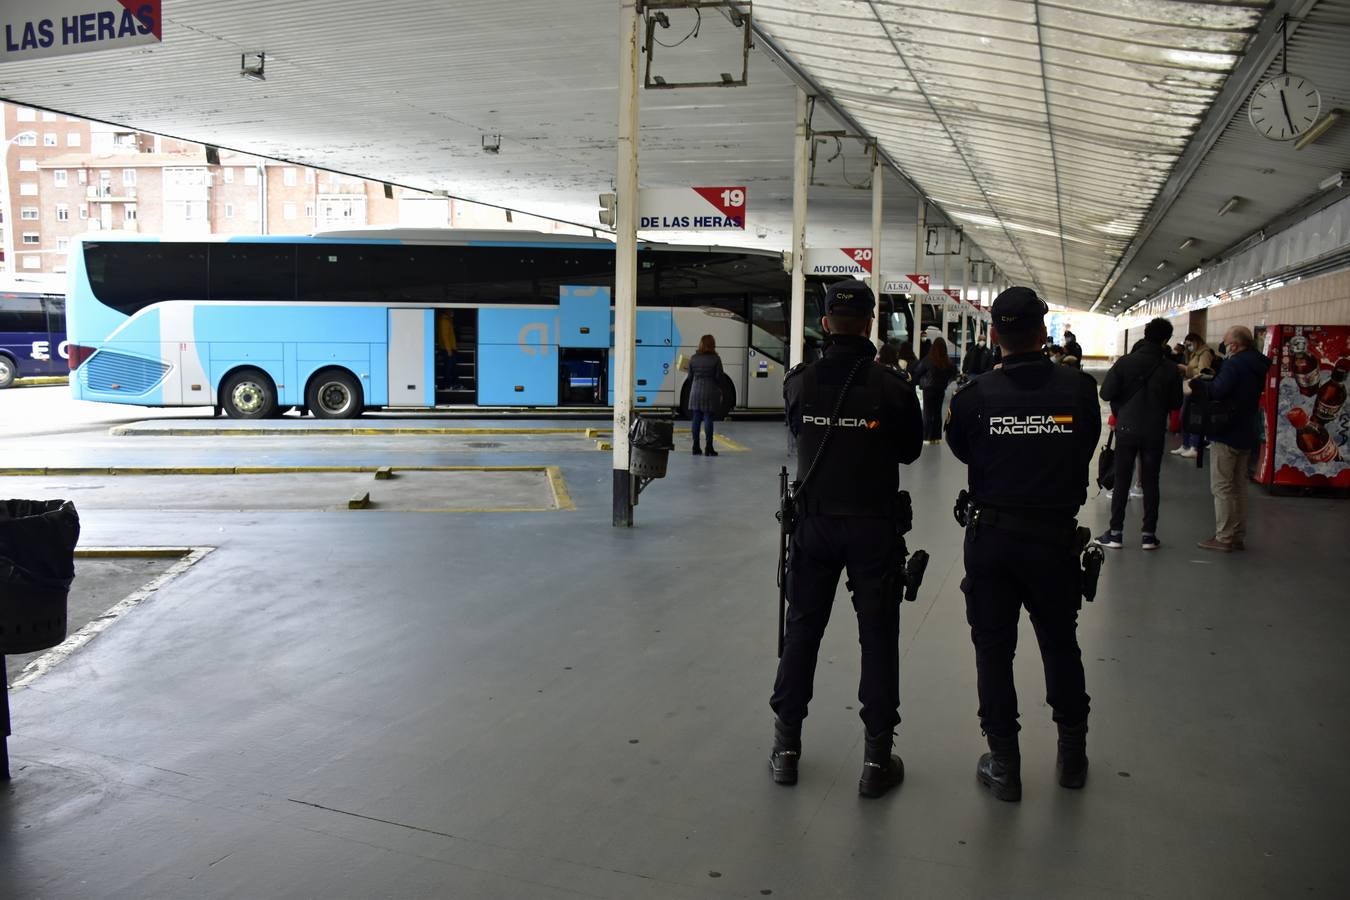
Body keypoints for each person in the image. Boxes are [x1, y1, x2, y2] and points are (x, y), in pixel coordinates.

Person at [945, 286, 1100, 802]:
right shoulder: (1079, 392)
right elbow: (1085, 447)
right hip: (1054, 541)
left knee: (993, 649)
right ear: (1042, 332)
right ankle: (1072, 756)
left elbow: (962, 448)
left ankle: (1005, 764)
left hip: (992, 537)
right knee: (1060, 642)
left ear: (993, 335)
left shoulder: (973, 396)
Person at [770, 279, 923, 799]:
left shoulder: (800, 382)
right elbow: (909, 452)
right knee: (878, 641)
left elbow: (798, 431)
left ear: (826, 322)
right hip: (873, 529)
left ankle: (786, 749)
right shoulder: (894, 387)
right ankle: (877, 760)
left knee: (802, 632)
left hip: (813, 527)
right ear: (871, 323)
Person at [1097, 318, 1183, 551]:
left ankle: (1115, 534)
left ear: (1145, 334)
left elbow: (1105, 393)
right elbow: (1176, 402)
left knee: (1122, 480)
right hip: (1154, 430)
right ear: (1166, 339)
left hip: (1127, 429)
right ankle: (1148, 535)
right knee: (1151, 481)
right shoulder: (1170, 368)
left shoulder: (1126, 362)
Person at [1197, 325, 1269, 552]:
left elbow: (1218, 391)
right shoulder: (1258, 364)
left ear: (1235, 345)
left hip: (1226, 431)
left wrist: (1199, 385)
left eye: (1226, 342)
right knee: (1239, 487)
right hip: (1246, 430)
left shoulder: (1234, 364)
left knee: (1222, 487)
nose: (1224, 346)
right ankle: (1237, 534)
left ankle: (1224, 536)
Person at [1173, 332, 1216, 459]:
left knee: (1193, 417)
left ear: (1196, 341)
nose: (1188, 347)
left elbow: (1204, 372)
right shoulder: (1194, 354)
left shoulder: (1204, 353)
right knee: (1185, 416)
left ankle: (1194, 446)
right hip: (1190, 387)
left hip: (1197, 389)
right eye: (1186, 345)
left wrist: (1186, 369)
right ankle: (1186, 444)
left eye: (1190, 344)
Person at [686, 334, 724, 456]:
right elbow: (719, 377)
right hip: (710, 391)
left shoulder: (693, 358)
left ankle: (695, 446)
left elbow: (690, 377)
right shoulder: (716, 359)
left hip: (695, 391)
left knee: (696, 419)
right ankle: (709, 447)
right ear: (713, 345)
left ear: (701, 344)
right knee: (708, 418)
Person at [913, 338, 957, 444]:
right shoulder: (947, 361)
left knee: (928, 413)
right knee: (937, 413)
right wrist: (946, 382)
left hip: (928, 389)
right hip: (940, 389)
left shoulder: (928, 359)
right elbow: (953, 373)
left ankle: (927, 437)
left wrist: (917, 383)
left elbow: (918, 372)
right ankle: (936, 438)